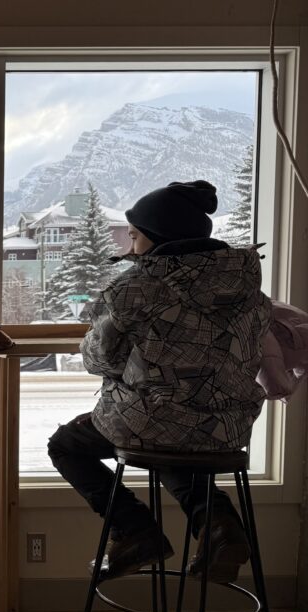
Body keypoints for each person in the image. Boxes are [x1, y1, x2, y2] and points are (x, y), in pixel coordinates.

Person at [47, 180, 269, 583]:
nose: (131, 248)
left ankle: (135, 531)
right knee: (174, 444)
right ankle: (220, 525)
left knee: (66, 446)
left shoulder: (140, 286)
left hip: (155, 422)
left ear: (157, 236)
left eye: (134, 236)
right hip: (225, 427)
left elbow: (99, 359)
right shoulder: (246, 285)